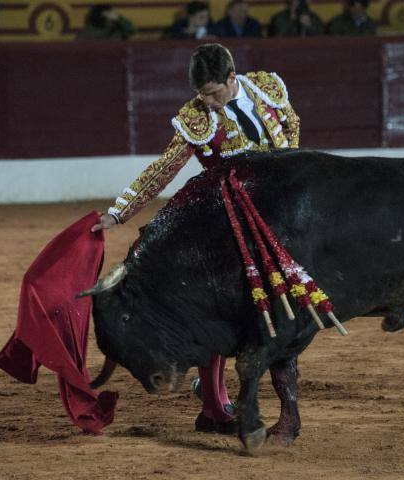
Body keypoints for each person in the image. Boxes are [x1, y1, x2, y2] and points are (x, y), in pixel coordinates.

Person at [91, 43, 301, 433]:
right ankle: (213, 402)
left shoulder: (267, 88)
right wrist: (119, 211)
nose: (207, 101)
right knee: (220, 311)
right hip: (226, 225)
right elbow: (163, 168)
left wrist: (291, 172)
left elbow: (291, 125)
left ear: (232, 79)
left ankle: (213, 390)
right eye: (201, 94)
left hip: (277, 216)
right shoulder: (195, 118)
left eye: (213, 93)